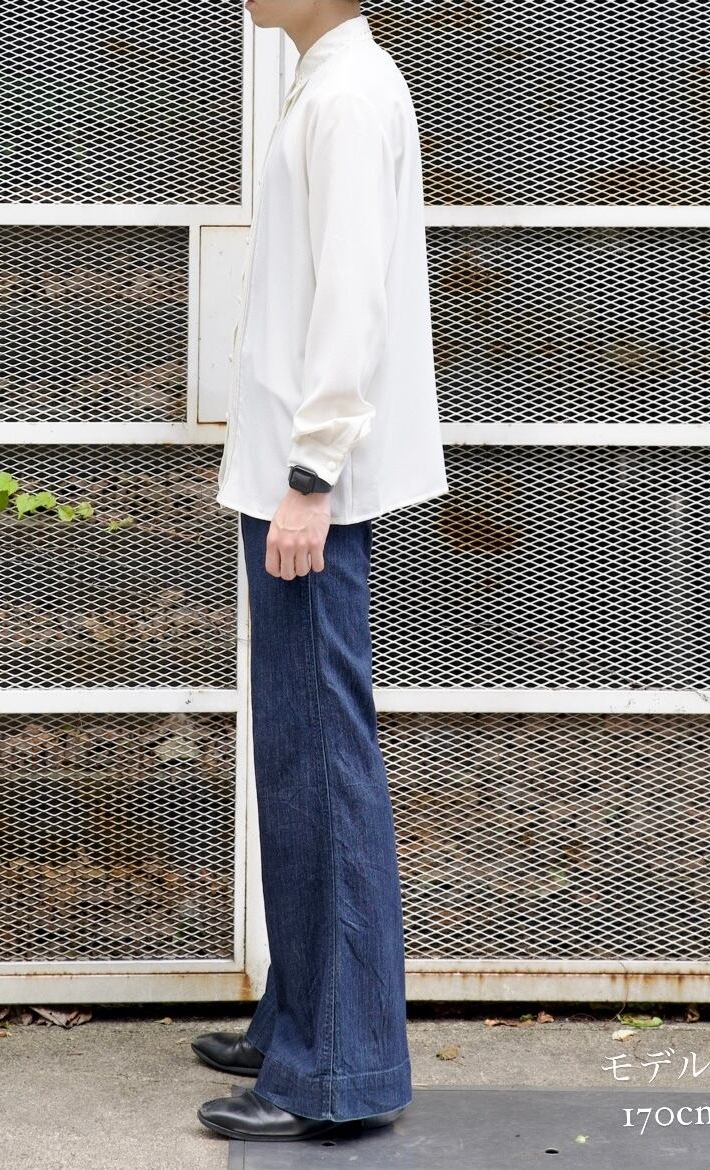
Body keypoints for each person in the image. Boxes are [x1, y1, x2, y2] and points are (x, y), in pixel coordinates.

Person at [193, 0, 448, 1143]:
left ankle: (339, 1068)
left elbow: (353, 298)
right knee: (297, 752)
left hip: (312, 489)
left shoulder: (347, 96)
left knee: (325, 762)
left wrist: (312, 472)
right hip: (295, 479)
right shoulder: (330, 82)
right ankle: (299, 1015)